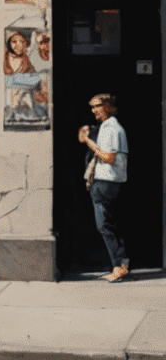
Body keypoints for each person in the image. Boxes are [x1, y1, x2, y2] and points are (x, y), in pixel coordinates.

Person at [80, 92, 129, 281]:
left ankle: (119, 265)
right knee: (111, 224)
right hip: (108, 181)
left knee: (104, 225)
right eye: (92, 107)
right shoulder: (106, 127)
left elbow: (109, 157)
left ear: (108, 106)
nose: (94, 110)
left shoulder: (111, 128)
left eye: (97, 106)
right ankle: (121, 263)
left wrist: (89, 142)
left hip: (106, 181)